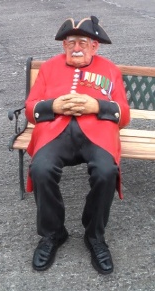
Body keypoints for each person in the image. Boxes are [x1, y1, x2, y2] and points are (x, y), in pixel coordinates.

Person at [25, 16, 130, 275]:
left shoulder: (110, 69)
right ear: (64, 46)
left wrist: (98, 106)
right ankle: (53, 233)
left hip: (97, 134)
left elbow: (124, 114)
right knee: (41, 169)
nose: (76, 48)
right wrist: (53, 106)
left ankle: (94, 236)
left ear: (95, 46)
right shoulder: (49, 68)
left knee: (106, 171)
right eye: (70, 43)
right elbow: (31, 107)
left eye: (83, 42)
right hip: (55, 132)